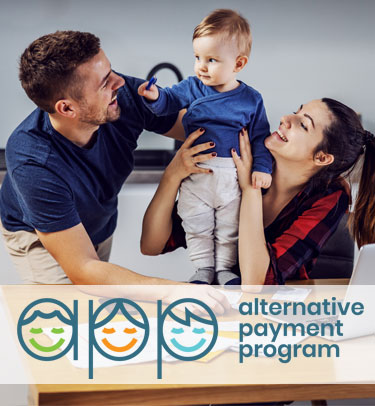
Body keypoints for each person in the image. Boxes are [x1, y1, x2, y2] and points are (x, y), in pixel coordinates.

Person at [0, 30, 230, 311]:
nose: (120, 82)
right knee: (68, 319)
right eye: (104, 82)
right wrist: (174, 292)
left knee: (98, 306)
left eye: (111, 71)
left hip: (98, 220)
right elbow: (83, 267)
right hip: (39, 237)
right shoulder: (33, 161)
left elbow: (202, 131)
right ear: (67, 108)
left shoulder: (119, 97)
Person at [141, 98, 375, 285]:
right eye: (296, 110)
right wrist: (172, 175)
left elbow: (257, 282)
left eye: (303, 124)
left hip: (282, 309)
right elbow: (152, 245)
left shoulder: (330, 195)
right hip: (221, 301)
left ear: (322, 157)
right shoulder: (235, 156)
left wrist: (250, 188)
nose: (286, 118)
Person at [138, 9, 273, 286]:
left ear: (239, 63)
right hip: (197, 173)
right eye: (197, 57)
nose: (201, 66)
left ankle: (224, 270)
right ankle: (202, 269)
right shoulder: (193, 87)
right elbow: (168, 101)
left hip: (231, 177)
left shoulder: (251, 99)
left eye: (211, 60)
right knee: (195, 222)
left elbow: (260, 137)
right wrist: (155, 96)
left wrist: (261, 168)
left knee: (228, 226)